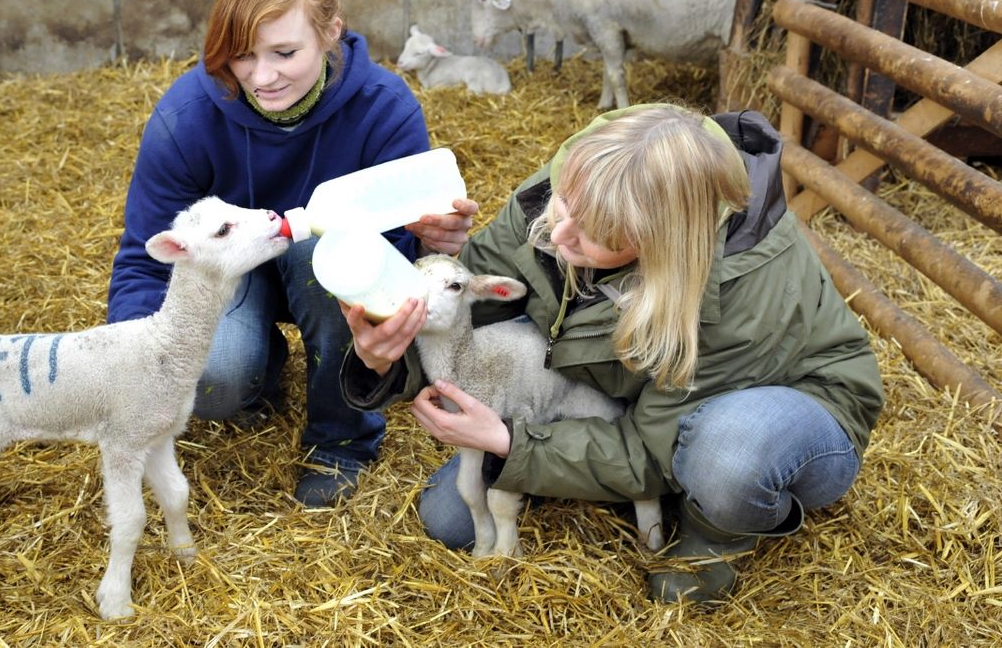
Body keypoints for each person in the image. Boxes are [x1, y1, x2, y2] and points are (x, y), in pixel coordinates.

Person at [339, 104, 884, 603]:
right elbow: (468, 315)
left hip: (776, 413)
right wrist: (386, 355)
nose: (560, 232)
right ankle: (610, 476)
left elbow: (651, 449)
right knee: (451, 521)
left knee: (725, 458)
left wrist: (510, 442)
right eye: (565, 202)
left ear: (663, 241)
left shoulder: (742, 286)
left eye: (598, 232)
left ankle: (715, 526)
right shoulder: (581, 185)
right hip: (610, 399)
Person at [107, 0, 473, 507]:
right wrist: (136, 371)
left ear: (331, 30)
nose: (261, 76)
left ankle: (342, 438)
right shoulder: (187, 119)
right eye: (241, 55)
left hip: (334, 277)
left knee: (329, 249)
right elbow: (143, 257)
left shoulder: (384, 108)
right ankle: (257, 375)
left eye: (283, 52)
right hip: (236, 272)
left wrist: (428, 239)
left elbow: (395, 256)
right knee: (216, 377)